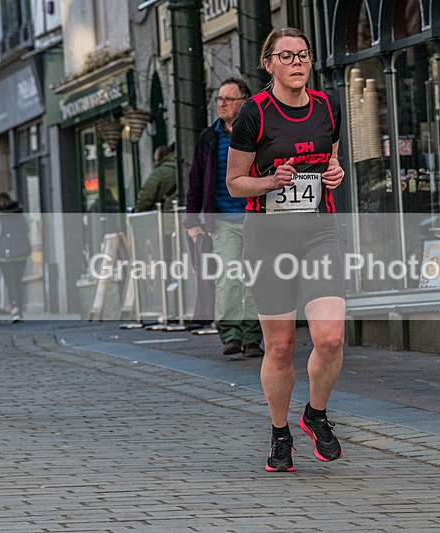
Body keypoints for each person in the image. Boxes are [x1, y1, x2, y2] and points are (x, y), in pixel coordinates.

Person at [226, 28, 347, 471]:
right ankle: (280, 435)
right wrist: (272, 181)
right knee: (279, 346)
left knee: (330, 337)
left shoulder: (328, 106)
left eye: (303, 55)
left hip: (319, 230)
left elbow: (330, 161)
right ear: (270, 64)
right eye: (287, 56)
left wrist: (335, 175)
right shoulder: (253, 114)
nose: (297, 62)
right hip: (268, 236)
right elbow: (235, 183)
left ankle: (315, 414)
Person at [183, 77, 264, 359]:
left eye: (228, 99)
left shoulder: (258, 134)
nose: (221, 104)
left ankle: (253, 337)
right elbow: (195, 182)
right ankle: (230, 334)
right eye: (219, 99)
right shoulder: (209, 138)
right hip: (223, 223)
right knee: (228, 279)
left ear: (243, 103)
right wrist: (192, 222)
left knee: (256, 280)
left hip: (256, 219)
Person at [0, 194, 31, 323]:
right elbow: (27, 229)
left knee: (10, 281)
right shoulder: (20, 215)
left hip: (4, 253)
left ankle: (15, 308)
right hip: (21, 251)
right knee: (18, 280)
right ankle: (19, 305)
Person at [135, 144, 177, 212]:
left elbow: (145, 198)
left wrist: (137, 215)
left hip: (167, 216)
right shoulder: (185, 167)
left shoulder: (160, 172)